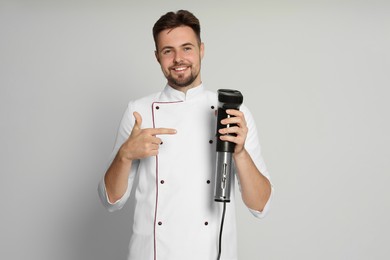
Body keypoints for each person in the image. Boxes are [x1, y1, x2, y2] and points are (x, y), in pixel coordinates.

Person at [98, 9, 273, 260]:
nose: (178, 58)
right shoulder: (138, 111)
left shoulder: (233, 113)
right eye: (168, 51)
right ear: (157, 57)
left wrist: (241, 153)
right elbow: (110, 201)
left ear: (201, 50)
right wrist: (125, 155)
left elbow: (261, 206)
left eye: (187, 48)